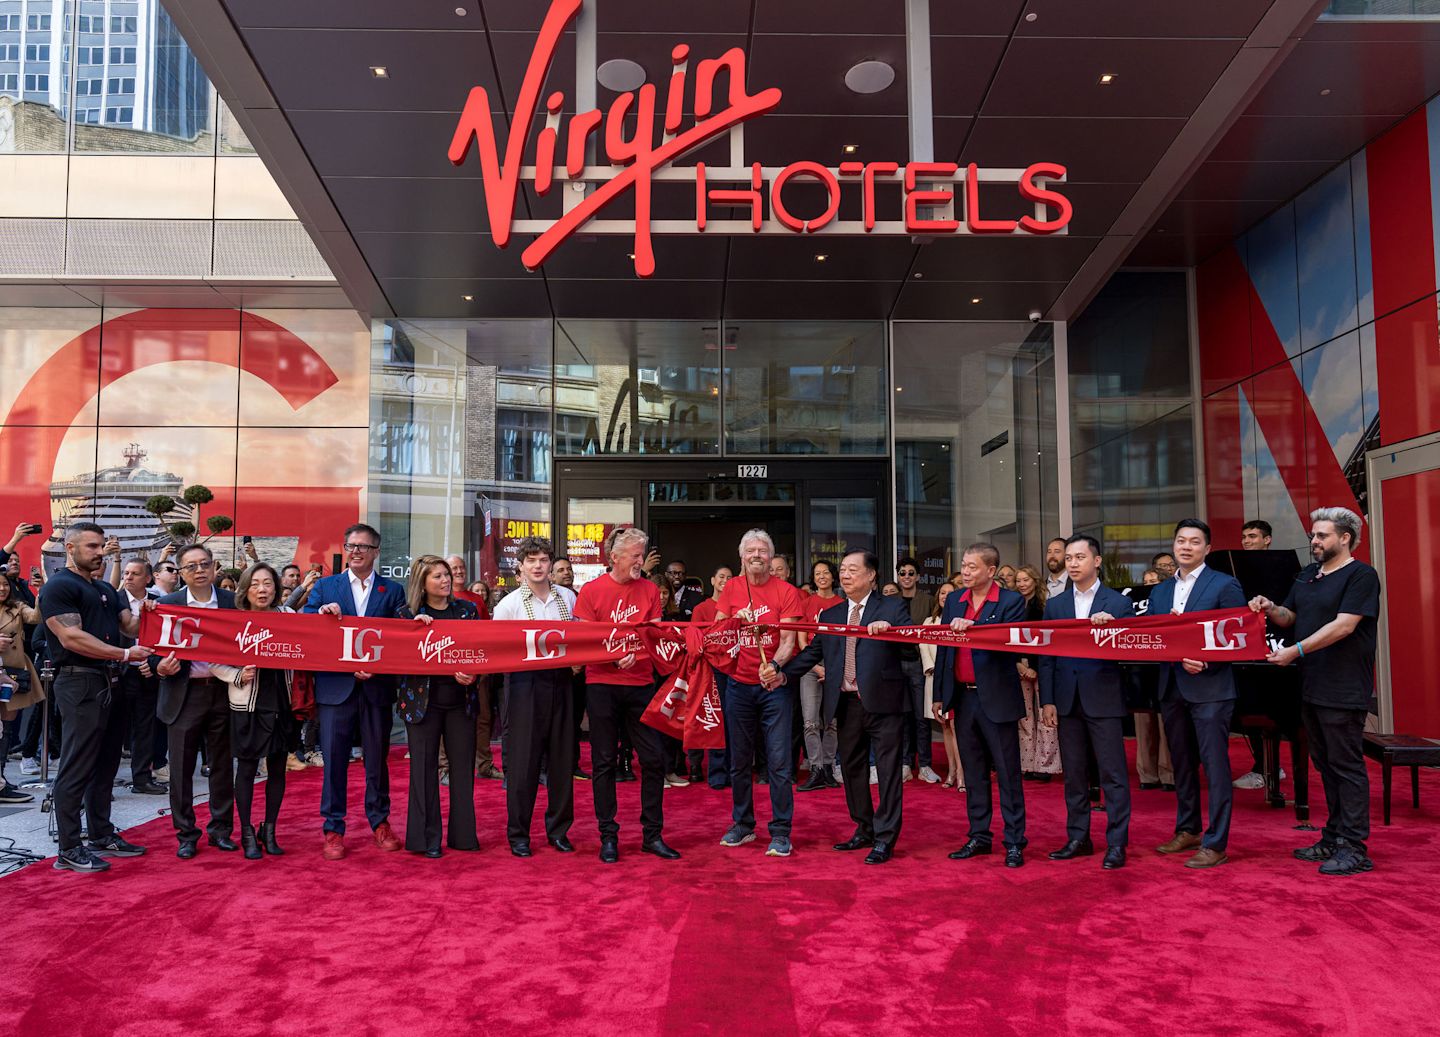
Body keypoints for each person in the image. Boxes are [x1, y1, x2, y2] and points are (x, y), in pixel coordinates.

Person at [1249, 507, 1381, 876]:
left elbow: (1344, 626)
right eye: (1312, 535)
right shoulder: (1308, 576)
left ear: (1346, 538)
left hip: (1343, 687)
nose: (1314, 541)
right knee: (1325, 765)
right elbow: (1289, 617)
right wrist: (1270, 606)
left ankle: (1354, 847)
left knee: (1346, 767)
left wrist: (1296, 650)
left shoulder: (1361, 576)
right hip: (1309, 685)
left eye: (1322, 535)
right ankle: (1334, 835)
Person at [781, 551, 912, 864]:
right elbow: (812, 652)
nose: (845, 574)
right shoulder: (832, 615)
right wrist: (782, 674)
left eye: (853, 569)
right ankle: (864, 827)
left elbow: (911, 651)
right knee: (852, 769)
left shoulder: (893, 607)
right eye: (843, 569)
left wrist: (891, 634)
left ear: (871, 576)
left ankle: (885, 837)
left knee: (888, 771)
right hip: (846, 702)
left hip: (884, 703)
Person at [41, 522, 150, 872]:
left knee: (106, 763)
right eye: (91, 546)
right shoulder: (59, 586)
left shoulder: (105, 587)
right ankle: (69, 847)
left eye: (101, 546)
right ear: (70, 549)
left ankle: (101, 833)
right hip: (79, 681)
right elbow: (71, 638)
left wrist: (154, 608)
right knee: (77, 764)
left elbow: (129, 628)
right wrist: (122, 655)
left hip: (111, 681)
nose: (99, 552)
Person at [304, 523, 408, 861]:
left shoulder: (392, 591)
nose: (356, 551)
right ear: (345, 549)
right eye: (351, 546)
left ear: (376, 551)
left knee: (377, 760)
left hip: (376, 687)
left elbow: (398, 636)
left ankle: (380, 822)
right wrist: (320, 614)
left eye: (364, 546)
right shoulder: (325, 587)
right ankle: (333, 829)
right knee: (334, 761)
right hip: (336, 687)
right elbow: (306, 626)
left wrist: (377, 666)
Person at [574, 527, 678, 863]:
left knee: (653, 759)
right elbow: (583, 641)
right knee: (603, 762)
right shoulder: (591, 591)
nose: (640, 560)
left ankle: (652, 835)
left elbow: (657, 637)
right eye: (635, 555)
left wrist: (638, 652)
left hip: (640, 683)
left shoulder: (649, 589)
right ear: (614, 557)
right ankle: (608, 836)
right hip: (602, 684)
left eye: (641, 554)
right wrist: (611, 656)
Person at [1147, 519, 1246, 869]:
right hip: (1171, 686)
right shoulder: (1159, 592)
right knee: (1183, 765)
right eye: (1180, 541)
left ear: (1206, 548)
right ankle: (1188, 829)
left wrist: (1205, 661)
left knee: (1215, 766)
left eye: (1194, 542)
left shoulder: (1225, 584)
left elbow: (1238, 637)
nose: (1185, 547)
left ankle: (1216, 842)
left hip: (1211, 688)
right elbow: (1153, 638)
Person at [1039, 535, 1136, 870]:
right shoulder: (1056, 605)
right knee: (1075, 775)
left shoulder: (1119, 604)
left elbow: (1132, 650)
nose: (1073, 563)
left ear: (1097, 561)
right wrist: (1047, 700)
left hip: (1104, 699)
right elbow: (1047, 657)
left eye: (1080, 557)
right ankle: (1078, 837)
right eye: (1069, 558)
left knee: (1113, 774)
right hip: (1066, 700)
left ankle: (1117, 842)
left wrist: (1115, 630)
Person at [933, 543, 1028, 868]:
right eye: (963, 566)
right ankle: (979, 835)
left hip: (997, 698)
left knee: (1007, 772)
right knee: (973, 773)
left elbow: (1010, 645)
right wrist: (940, 695)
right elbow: (944, 649)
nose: (966, 572)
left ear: (991, 570)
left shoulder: (1011, 601)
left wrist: (978, 631)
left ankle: (1015, 841)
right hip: (964, 696)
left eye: (972, 567)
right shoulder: (955, 602)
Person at [720, 528, 805, 857]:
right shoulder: (731, 588)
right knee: (739, 761)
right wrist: (733, 623)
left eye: (763, 551)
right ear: (742, 556)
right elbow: (717, 634)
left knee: (780, 763)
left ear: (771, 558)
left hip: (774, 689)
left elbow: (788, 639)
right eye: (751, 550)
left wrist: (775, 667)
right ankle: (742, 824)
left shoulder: (786, 591)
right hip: (738, 686)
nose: (757, 555)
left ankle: (781, 830)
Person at [492, 537, 578, 857]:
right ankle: (519, 834)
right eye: (531, 561)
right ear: (521, 567)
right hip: (523, 685)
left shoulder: (567, 598)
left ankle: (558, 830)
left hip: (562, 682)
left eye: (543, 560)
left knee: (561, 760)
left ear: (550, 564)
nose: (538, 566)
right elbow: (497, 648)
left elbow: (582, 636)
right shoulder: (509, 604)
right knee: (522, 763)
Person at [153, 543, 239, 858]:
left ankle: (221, 830)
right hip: (184, 692)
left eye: (205, 564)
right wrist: (158, 667)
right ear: (180, 572)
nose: (199, 570)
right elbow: (152, 649)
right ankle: (186, 834)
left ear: (215, 567)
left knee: (220, 766)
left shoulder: (233, 602)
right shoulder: (167, 604)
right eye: (191, 566)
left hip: (223, 690)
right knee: (181, 770)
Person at [396, 555, 481, 858]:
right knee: (423, 770)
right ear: (422, 582)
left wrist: (473, 674)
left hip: (461, 703)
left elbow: (481, 651)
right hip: (422, 704)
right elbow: (397, 660)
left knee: (462, 770)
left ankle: (464, 837)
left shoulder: (467, 611)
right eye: (437, 576)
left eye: (446, 575)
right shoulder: (406, 615)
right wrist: (413, 632)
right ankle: (424, 839)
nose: (445, 580)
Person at [216, 563, 295, 859]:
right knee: (247, 769)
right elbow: (213, 659)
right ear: (245, 589)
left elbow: (308, 646)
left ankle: (270, 828)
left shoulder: (288, 617)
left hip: (281, 702)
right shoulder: (234, 620)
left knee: (277, 770)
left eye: (267, 584)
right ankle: (247, 831)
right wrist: (236, 675)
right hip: (247, 703)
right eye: (255, 584)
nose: (262, 590)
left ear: (276, 587)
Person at [1233, 518, 1281, 791]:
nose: (1247, 541)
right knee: (1250, 711)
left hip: (1275, 649)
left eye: (1252, 536)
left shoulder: (1279, 568)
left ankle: (1270, 768)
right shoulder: (1238, 571)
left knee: (1271, 712)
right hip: (1247, 650)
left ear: (1267, 539)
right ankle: (1264, 766)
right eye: (1244, 537)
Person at [116, 560, 165, 794]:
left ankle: (142, 778)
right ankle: (103, 783)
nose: (129, 577)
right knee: (114, 728)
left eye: (135, 574)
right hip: (120, 670)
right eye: (126, 573)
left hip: (148, 671)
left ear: (148, 578)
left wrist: (152, 663)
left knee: (146, 728)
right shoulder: (114, 599)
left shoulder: (160, 601)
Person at [796, 559, 841, 791]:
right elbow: (802, 641)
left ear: (833, 577)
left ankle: (828, 767)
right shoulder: (806, 603)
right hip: (810, 666)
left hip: (836, 666)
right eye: (817, 573)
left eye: (826, 572)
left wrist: (832, 669)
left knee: (832, 722)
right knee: (810, 721)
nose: (822, 576)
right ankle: (815, 769)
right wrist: (816, 667)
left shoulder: (842, 604)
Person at [1014, 564, 1060, 781]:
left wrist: (1033, 667)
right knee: (1024, 717)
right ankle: (1027, 764)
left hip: (1041, 666)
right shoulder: (1012, 606)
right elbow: (1007, 638)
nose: (1022, 584)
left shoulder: (1044, 606)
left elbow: (1046, 639)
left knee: (1044, 715)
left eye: (1026, 579)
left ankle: (1046, 766)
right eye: (1019, 580)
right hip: (1018, 666)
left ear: (1035, 580)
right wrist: (1019, 666)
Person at [0, 573, 42, 804]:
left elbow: (36, 617)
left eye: (5, 584)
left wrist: (41, 591)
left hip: (14, 672)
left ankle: (2, 778)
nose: (2, 588)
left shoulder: (17, 606)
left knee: (7, 727)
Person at [690, 564, 733, 789]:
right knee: (714, 719)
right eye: (721, 577)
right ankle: (716, 772)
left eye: (729, 577)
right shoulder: (702, 608)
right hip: (709, 670)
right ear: (713, 580)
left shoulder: (737, 607)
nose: (725, 580)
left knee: (732, 721)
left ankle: (733, 772)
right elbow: (695, 639)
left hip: (733, 669)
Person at [919, 583, 964, 791]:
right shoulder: (930, 621)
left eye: (950, 593)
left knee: (956, 727)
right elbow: (923, 645)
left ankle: (962, 774)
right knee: (945, 726)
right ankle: (951, 770)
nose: (946, 596)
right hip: (934, 678)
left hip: (954, 680)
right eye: (942, 593)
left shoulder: (960, 621)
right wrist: (931, 668)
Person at [895, 556, 936, 783]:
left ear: (918, 576)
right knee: (903, 716)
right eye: (902, 573)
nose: (907, 577)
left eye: (911, 573)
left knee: (921, 717)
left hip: (921, 665)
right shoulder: (890, 601)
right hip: (897, 664)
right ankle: (905, 763)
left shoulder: (928, 600)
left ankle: (926, 765)